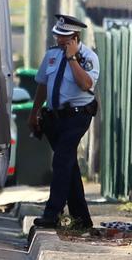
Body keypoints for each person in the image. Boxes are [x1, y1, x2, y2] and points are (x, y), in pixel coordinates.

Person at [28, 14, 99, 230]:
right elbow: (42, 85)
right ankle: (81, 218)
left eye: (64, 37)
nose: (59, 39)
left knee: (61, 161)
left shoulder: (88, 57)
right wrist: (34, 113)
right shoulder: (51, 55)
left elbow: (86, 83)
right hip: (54, 118)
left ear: (75, 37)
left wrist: (72, 58)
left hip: (77, 116)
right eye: (57, 35)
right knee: (68, 165)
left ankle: (52, 214)